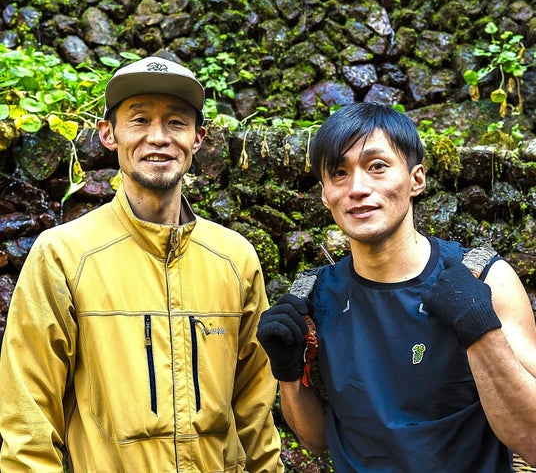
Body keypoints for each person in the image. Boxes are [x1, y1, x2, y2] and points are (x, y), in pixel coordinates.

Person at [0, 55, 283, 472]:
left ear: (197, 138)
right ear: (108, 134)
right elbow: (29, 419)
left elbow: (255, 407)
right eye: (139, 120)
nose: (158, 137)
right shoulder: (63, 255)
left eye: (176, 122)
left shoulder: (234, 258)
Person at [257, 102, 536, 471]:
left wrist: (479, 329)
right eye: (339, 173)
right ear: (325, 194)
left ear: (416, 179)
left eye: (377, 166)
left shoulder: (483, 279)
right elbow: (315, 440)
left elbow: (532, 441)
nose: (358, 188)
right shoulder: (314, 297)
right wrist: (288, 372)